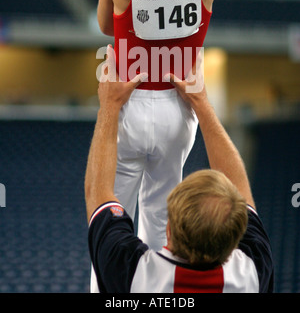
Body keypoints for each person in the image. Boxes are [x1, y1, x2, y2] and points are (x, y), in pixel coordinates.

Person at [97, 0, 252, 254]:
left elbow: (105, 26)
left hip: (127, 105)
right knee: (160, 216)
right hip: (179, 108)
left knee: (111, 216)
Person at [85, 45, 274, 293]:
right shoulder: (251, 275)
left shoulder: (135, 276)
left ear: (169, 230)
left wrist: (109, 106)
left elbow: (97, 191)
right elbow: (97, 194)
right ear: (234, 237)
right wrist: (201, 103)